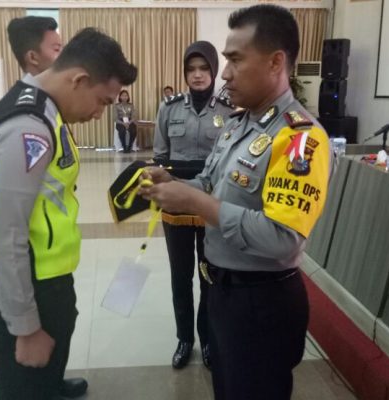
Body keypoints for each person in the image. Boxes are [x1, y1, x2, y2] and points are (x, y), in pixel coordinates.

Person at [140, 5, 331, 399]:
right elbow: (210, 183)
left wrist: (194, 201)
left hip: (262, 302)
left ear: (275, 62)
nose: (224, 74)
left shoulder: (299, 139)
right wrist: (174, 183)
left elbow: (281, 239)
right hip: (224, 294)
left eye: (235, 60)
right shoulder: (237, 125)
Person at [0, 25, 137, 400]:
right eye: (102, 101)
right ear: (79, 80)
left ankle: (52, 384)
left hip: (45, 275)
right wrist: (25, 327)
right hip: (26, 285)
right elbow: (5, 233)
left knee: (45, 377)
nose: (99, 114)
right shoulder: (27, 128)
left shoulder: (46, 108)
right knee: (23, 389)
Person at [152, 40, 234, 370]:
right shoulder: (169, 108)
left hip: (211, 204)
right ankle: (184, 338)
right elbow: (160, 156)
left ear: (213, 70)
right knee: (180, 275)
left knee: (209, 275)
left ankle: (209, 339)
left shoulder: (229, 109)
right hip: (176, 204)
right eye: (191, 69)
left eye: (203, 68)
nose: (197, 75)